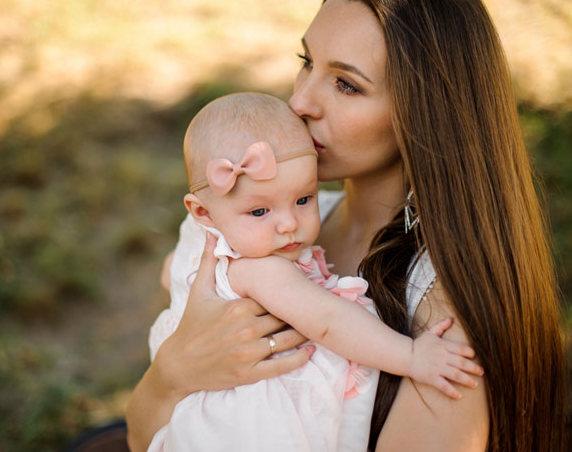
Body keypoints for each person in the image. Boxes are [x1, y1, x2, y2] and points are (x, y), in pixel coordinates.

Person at [126, 0, 567, 451]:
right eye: (307, 61)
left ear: (425, 113)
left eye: (346, 84)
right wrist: (172, 374)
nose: (300, 103)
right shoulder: (276, 229)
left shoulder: (444, 316)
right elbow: (139, 438)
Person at [147, 92, 481, 451]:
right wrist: (412, 357)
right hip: (253, 431)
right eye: (260, 212)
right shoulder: (260, 269)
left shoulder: (204, 241)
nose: (289, 224)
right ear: (203, 212)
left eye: (303, 199)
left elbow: (171, 274)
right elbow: (327, 320)